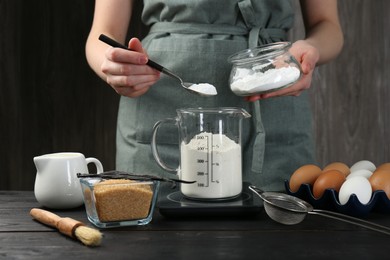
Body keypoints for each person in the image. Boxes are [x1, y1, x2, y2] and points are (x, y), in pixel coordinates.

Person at [85, 0, 343, 191]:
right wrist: (115, 69)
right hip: (161, 109)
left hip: (274, 108)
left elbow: (328, 26)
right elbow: (101, 35)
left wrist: (311, 49)